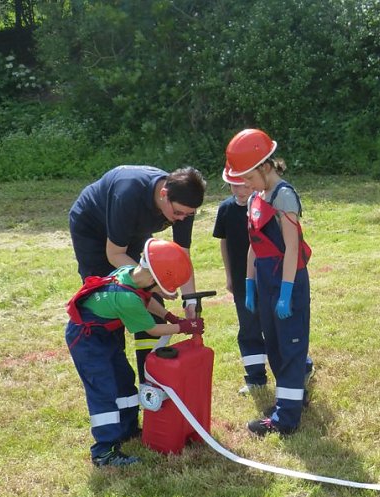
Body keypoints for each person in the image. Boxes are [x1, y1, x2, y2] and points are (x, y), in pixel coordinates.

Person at [65, 238, 206, 467]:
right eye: (164, 287)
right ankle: (105, 451)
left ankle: (128, 430)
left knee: (124, 379)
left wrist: (169, 316)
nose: (166, 293)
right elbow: (150, 328)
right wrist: (183, 327)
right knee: (104, 389)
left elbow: (147, 302)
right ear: (153, 278)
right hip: (86, 339)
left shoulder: (131, 273)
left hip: (103, 335)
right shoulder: (126, 298)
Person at [68, 165, 206, 381]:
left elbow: (182, 257)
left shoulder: (183, 207)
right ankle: (114, 376)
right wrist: (154, 281)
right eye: (177, 213)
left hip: (134, 232)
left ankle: (150, 379)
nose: (181, 219)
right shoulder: (128, 195)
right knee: (113, 297)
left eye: (188, 215)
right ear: (163, 195)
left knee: (147, 294)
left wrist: (189, 302)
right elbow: (114, 253)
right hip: (92, 229)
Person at [224, 129, 312, 436]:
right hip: (264, 278)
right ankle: (291, 398)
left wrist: (286, 293)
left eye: (247, 177)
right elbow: (254, 244)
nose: (244, 185)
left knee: (289, 342)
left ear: (264, 166)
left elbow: (292, 249)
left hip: (287, 278)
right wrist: (249, 283)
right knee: (273, 342)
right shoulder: (255, 198)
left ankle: (286, 418)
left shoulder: (283, 196)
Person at [213, 162, 269, 393]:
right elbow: (224, 244)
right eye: (234, 186)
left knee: (276, 325)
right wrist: (229, 277)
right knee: (248, 328)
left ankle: (300, 367)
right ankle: (255, 378)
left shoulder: (263, 206)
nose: (239, 190)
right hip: (240, 280)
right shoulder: (225, 210)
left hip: (266, 277)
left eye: (244, 185)